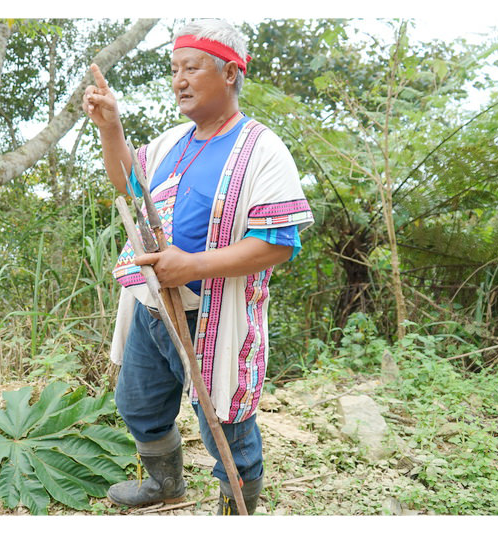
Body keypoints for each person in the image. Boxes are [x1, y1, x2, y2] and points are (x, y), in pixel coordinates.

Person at [82, 19, 314, 515]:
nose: (179, 80)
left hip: (210, 310)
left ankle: (237, 504)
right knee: (138, 402)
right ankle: (165, 483)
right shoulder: (172, 143)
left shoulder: (262, 149)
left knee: (224, 419)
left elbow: (277, 244)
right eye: (174, 69)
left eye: (192, 67)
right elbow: (130, 188)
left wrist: (192, 266)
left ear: (230, 73)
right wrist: (112, 129)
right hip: (151, 303)